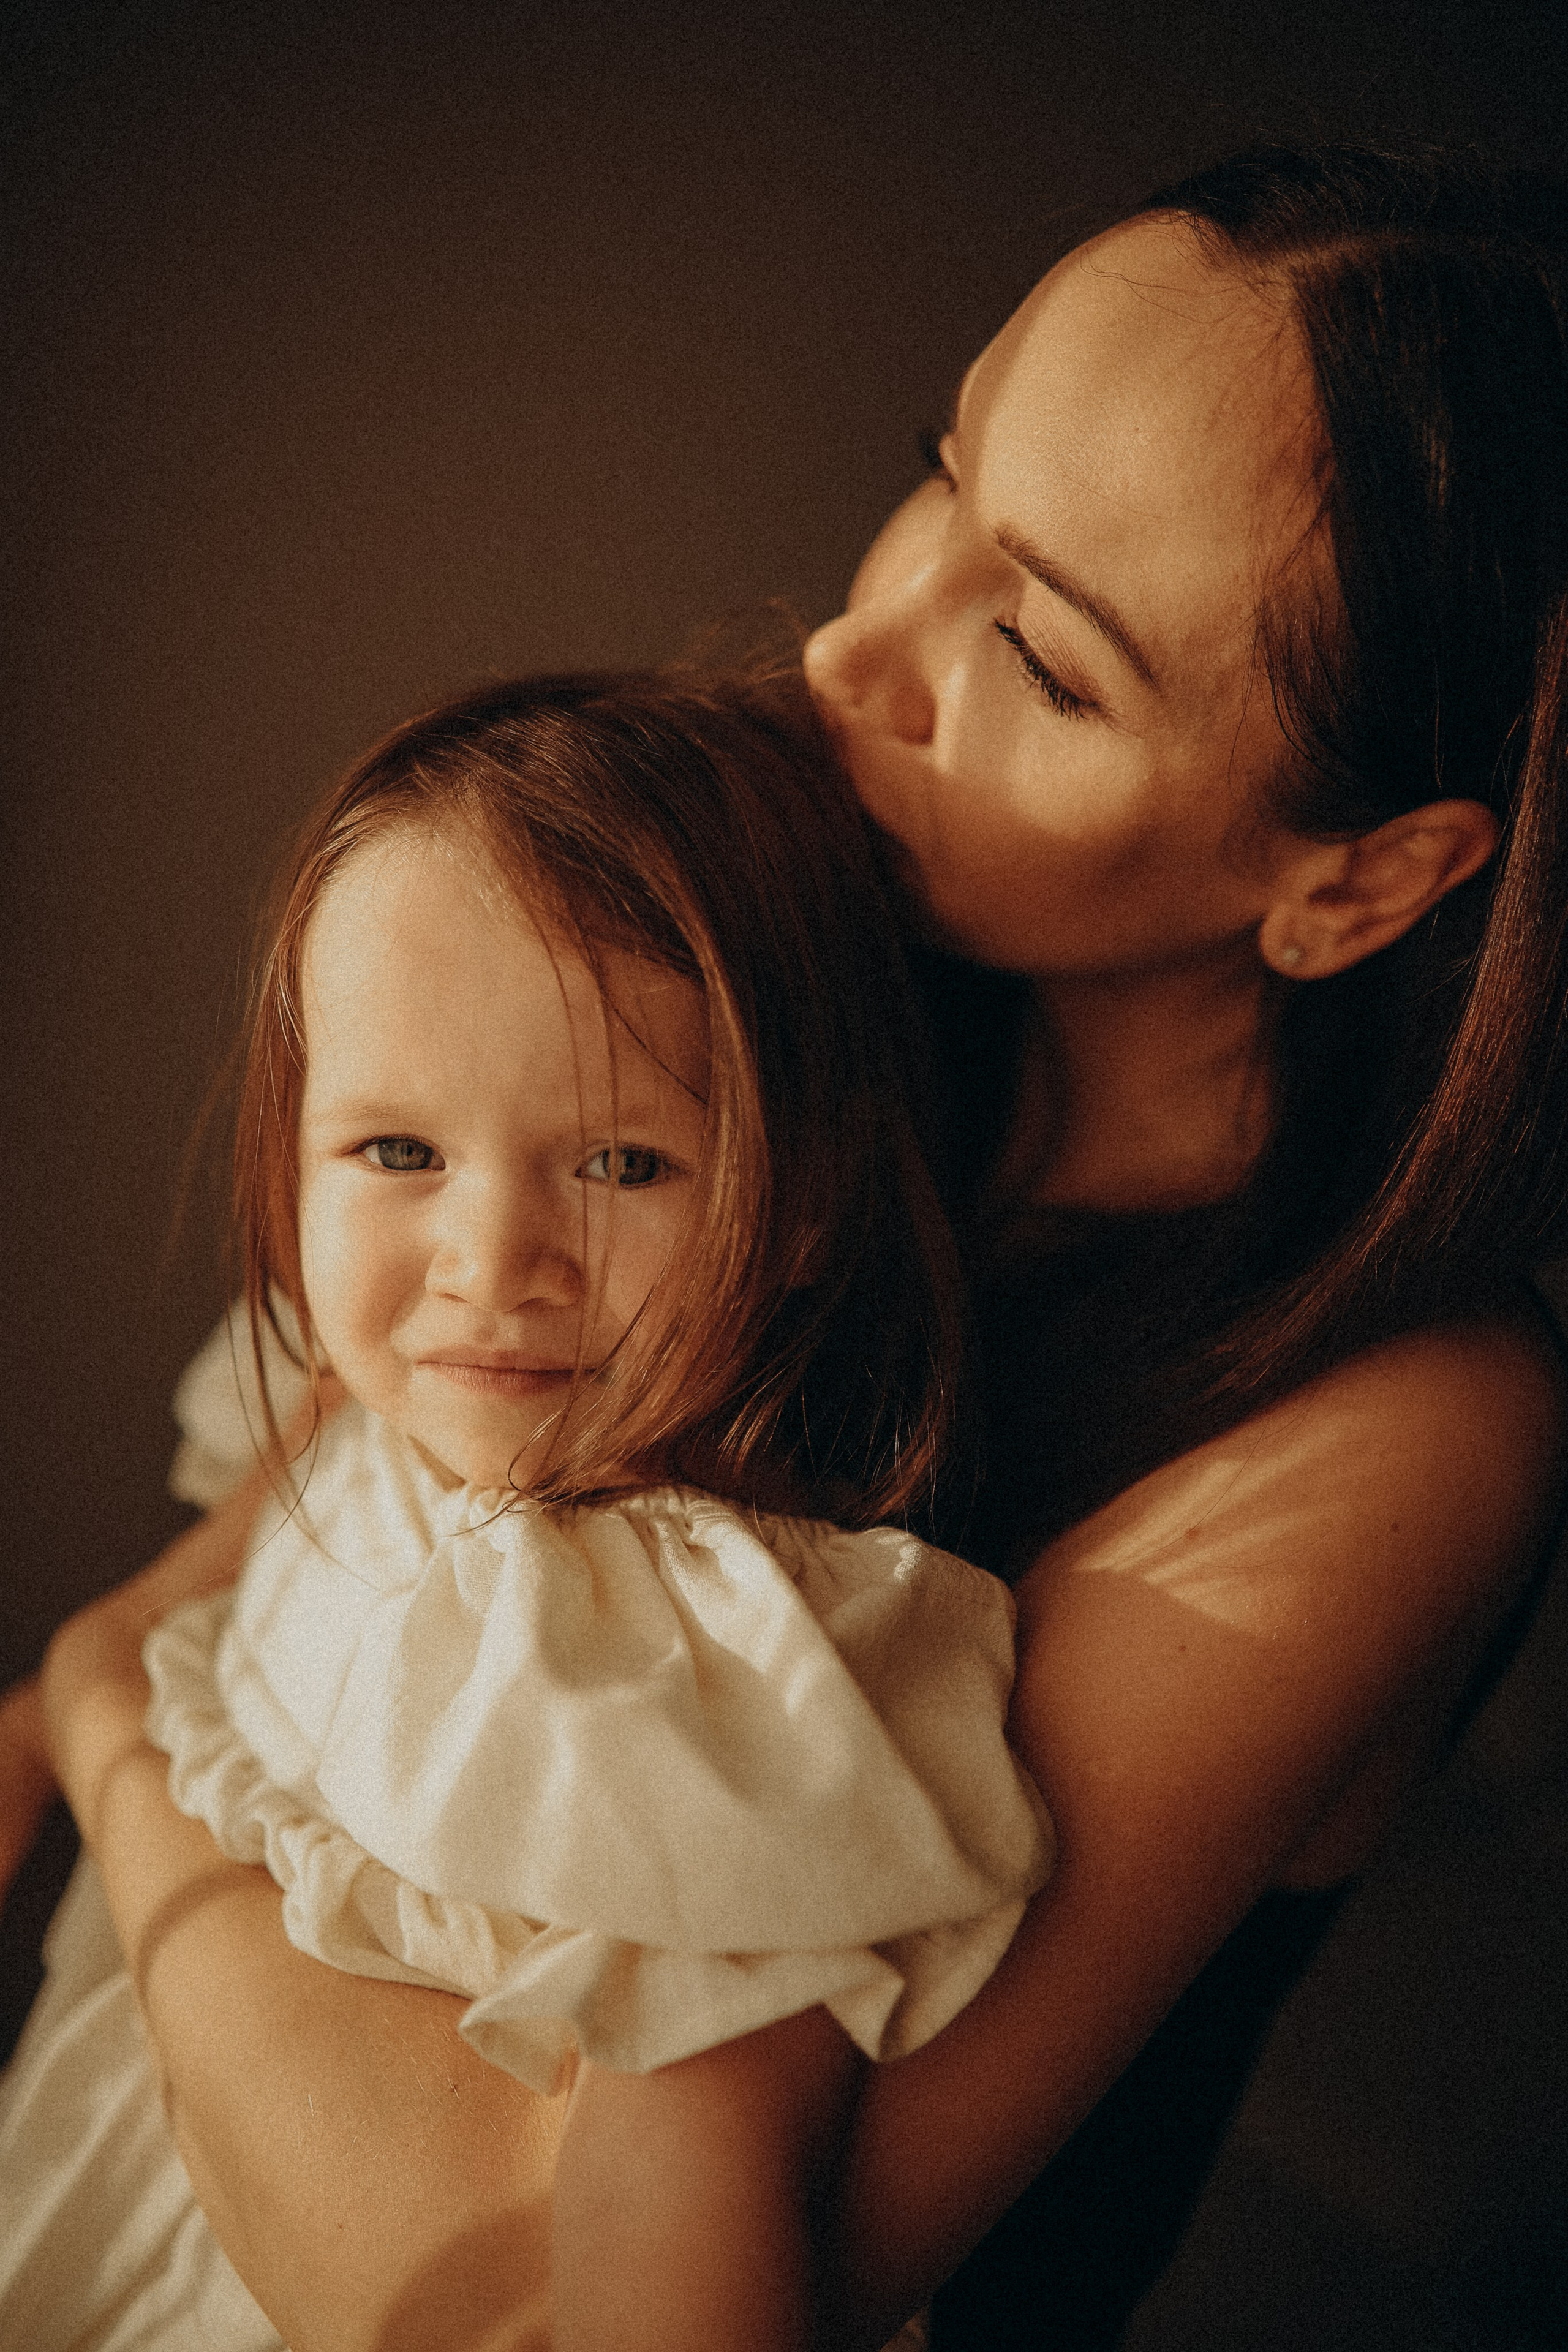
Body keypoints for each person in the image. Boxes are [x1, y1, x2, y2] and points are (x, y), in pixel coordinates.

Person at [15, 143, 1568, 2350]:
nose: (857, 645)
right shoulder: (798, 930)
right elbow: (343, 1505)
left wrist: (117, 1731)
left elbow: (521, 2305)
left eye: (1040, 655)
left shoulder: (1402, 1423)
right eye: (945, 471)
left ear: (1362, 882)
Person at [0, 669, 1052, 2351]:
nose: (491, 1267)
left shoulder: (701, 1671)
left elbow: (681, 2226)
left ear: (802, 1204)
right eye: (396, 1153)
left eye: (623, 1165)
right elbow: (164, 1637)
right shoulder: (362, 1422)